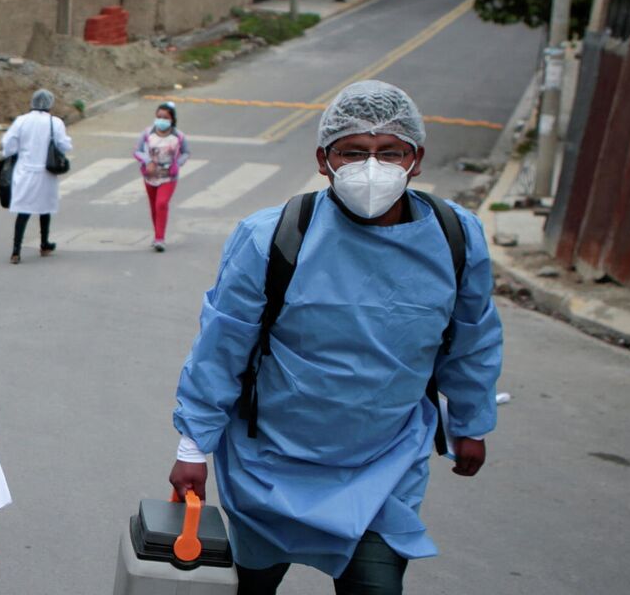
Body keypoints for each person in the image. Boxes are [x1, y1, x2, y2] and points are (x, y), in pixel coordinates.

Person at [167, 81, 504, 594]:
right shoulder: (272, 237)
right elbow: (222, 347)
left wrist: (470, 422)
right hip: (270, 465)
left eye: (390, 152)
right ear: (324, 160)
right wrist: (193, 446)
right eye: (354, 152)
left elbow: (471, 337)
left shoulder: (455, 237)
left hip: (383, 464)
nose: (373, 167)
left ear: (415, 159)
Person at [1, 88, 73, 264]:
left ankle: (16, 250)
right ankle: (44, 243)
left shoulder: (21, 121)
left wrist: (14, 153)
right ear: (50, 103)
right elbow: (64, 145)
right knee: (45, 208)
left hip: (24, 170)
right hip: (45, 172)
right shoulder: (54, 122)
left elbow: (8, 143)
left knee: (24, 210)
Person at [134, 102, 190, 252]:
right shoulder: (147, 134)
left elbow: (186, 152)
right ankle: (157, 234)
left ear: (172, 119)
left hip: (168, 177)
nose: (161, 120)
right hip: (151, 175)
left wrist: (177, 164)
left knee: (161, 203)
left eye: (165, 117)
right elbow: (137, 151)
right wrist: (148, 161)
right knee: (154, 206)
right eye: (158, 117)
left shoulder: (178, 136)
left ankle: (160, 238)